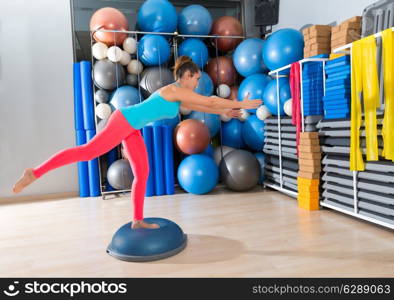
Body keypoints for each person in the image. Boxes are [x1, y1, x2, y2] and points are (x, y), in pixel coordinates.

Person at [12, 56, 262, 229]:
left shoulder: (179, 97)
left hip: (132, 128)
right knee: (88, 152)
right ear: (186, 77)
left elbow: (204, 105)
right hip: (124, 121)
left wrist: (229, 112)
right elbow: (208, 101)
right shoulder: (173, 90)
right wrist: (241, 103)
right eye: (196, 79)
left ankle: (137, 219)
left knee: (142, 173)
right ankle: (34, 172)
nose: (197, 83)